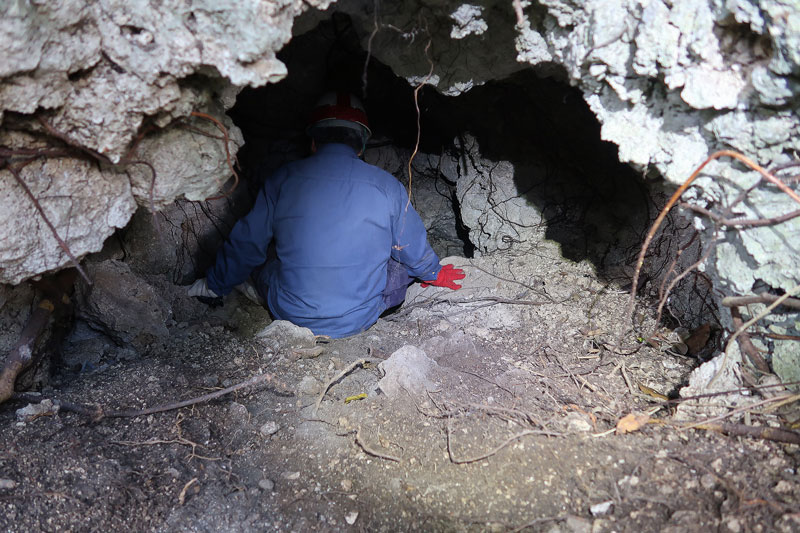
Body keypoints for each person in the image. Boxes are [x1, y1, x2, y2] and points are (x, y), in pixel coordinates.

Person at [189, 91, 465, 338]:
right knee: (399, 262)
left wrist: (215, 285)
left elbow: (247, 244)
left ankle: (234, 287)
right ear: (361, 144)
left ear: (312, 142)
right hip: (360, 318)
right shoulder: (387, 186)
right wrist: (433, 273)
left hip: (291, 313)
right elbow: (411, 247)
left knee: (268, 256)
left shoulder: (283, 180)